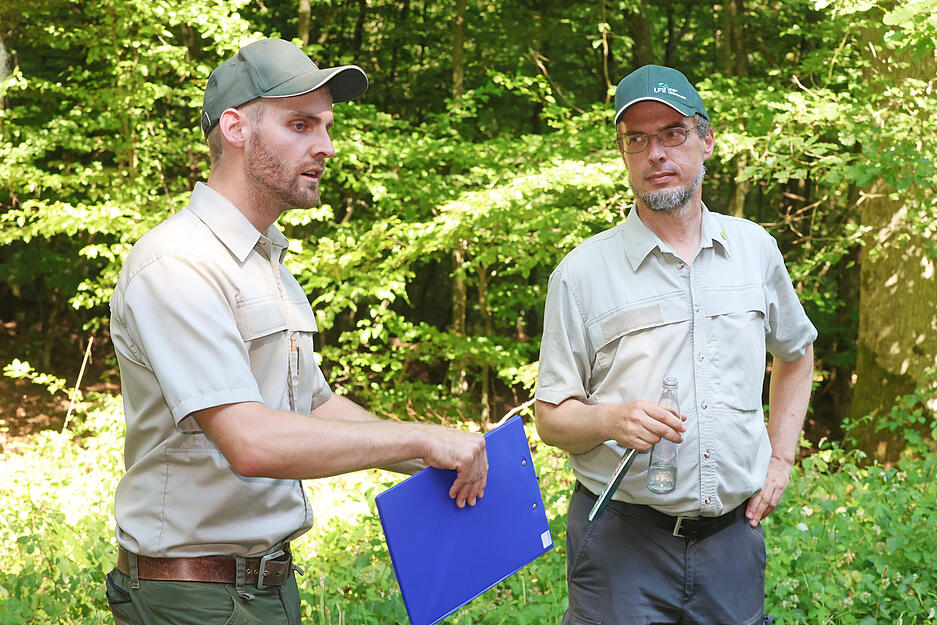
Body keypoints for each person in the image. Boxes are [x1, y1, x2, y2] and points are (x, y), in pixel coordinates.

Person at [104, 38, 488, 625]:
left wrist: (440, 453)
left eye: (327, 127)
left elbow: (314, 404)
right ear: (236, 128)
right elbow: (251, 442)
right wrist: (418, 439)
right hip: (193, 598)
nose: (326, 146)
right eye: (301, 125)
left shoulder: (266, 263)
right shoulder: (178, 262)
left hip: (268, 588)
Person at [534, 65, 816, 625]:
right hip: (620, 544)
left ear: (706, 141)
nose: (655, 153)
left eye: (672, 133)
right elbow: (550, 418)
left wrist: (782, 458)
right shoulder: (581, 274)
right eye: (636, 139)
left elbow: (797, 352)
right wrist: (611, 420)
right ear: (623, 154)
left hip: (732, 541)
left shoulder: (755, 250)